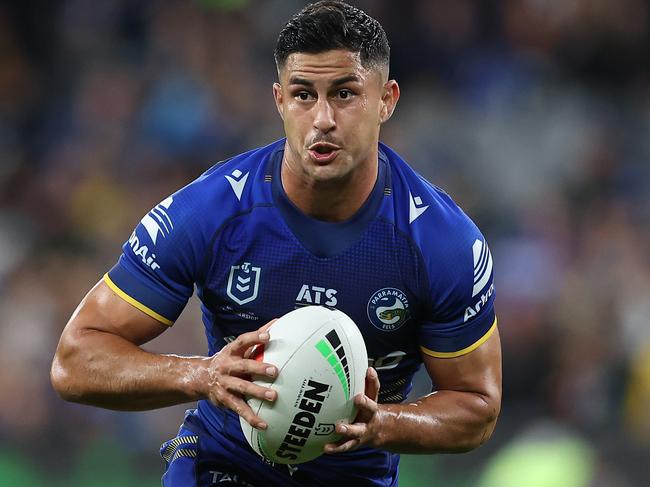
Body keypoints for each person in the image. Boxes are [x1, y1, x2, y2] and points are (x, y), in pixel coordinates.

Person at [51, 1, 502, 486]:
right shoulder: (212, 211)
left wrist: (386, 423)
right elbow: (75, 361)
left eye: (345, 93)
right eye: (303, 94)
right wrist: (201, 375)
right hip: (222, 468)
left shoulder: (442, 242)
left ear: (387, 100)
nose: (323, 119)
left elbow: (477, 405)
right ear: (279, 100)